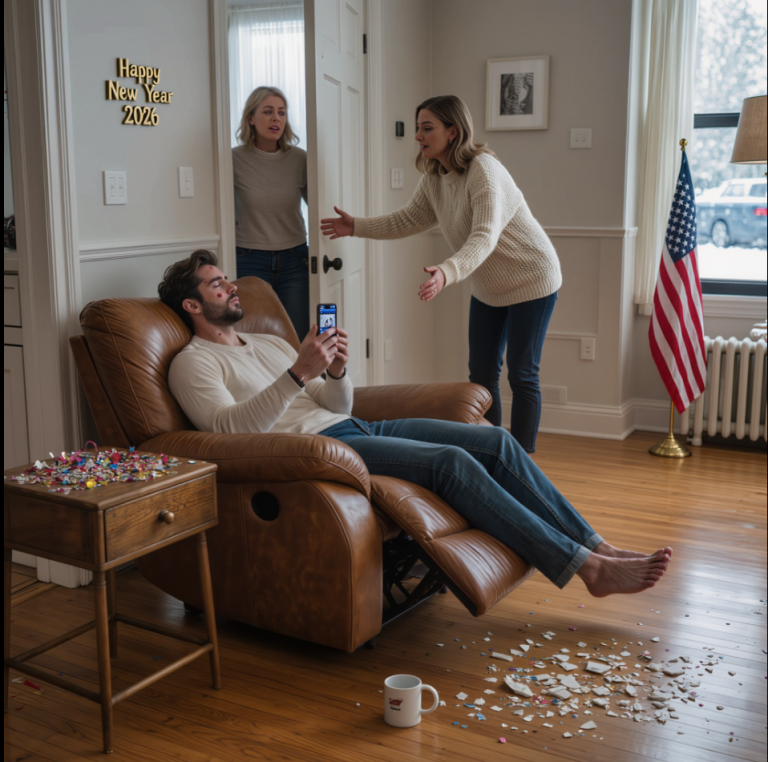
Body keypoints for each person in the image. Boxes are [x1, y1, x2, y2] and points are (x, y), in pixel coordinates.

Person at [157, 250, 672, 598]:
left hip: (353, 429)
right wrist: (299, 373)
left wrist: (335, 370)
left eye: (227, 279)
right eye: (217, 284)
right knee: (451, 462)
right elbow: (227, 432)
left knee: (495, 440)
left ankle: (597, 545)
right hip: (316, 451)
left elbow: (334, 403)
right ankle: (588, 569)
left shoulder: (267, 342)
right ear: (192, 304)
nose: (231, 287)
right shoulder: (193, 363)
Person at [321, 95, 561, 454]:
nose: (418, 135)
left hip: (532, 278)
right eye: (417, 127)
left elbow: (485, 235)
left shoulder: (484, 170)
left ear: (453, 131)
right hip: (489, 286)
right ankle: (491, 453)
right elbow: (407, 219)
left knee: (522, 372)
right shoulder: (435, 177)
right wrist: (356, 226)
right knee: (481, 375)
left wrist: (446, 272)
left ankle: (522, 462)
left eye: (427, 127)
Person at [233, 86, 309, 338]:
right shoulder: (233, 159)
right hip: (248, 259)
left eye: (281, 112)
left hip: (295, 260)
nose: (276, 118)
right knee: (254, 336)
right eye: (268, 111)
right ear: (251, 118)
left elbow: (320, 206)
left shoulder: (300, 159)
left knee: (296, 336)